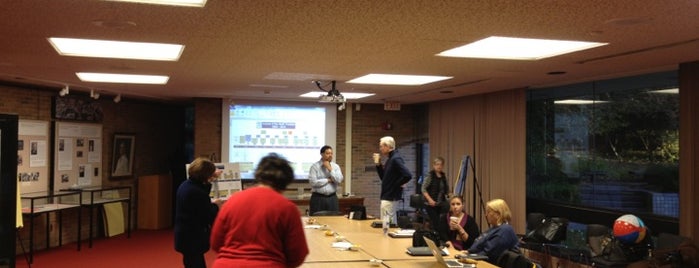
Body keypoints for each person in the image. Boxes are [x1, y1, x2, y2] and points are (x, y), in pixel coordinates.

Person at [210, 153, 309, 268]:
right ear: (286, 182)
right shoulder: (287, 207)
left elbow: (216, 242)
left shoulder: (233, 200)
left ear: (258, 175)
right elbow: (297, 254)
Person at [174, 157, 223, 268]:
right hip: (193, 237)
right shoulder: (196, 192)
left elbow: (200, 199)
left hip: (185, 235)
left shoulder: (186, 184)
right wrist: (216, 206)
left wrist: (210, 178)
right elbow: (207, 215)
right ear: (205, 175)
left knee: (192, 262)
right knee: (196, 264)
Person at [374, 136, 413, 224]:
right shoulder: (390, 160)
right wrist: (378, 164)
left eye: (381, 146)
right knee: (387, 223)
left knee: (388, 224)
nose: (380, 149)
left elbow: (408, 175)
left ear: (388, 146)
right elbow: (384, 178)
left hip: (390, 197)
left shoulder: (395, 159)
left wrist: (396, 185)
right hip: (387, 196)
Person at [308, 145, 344, 215]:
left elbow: (339, 180)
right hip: (318, 198)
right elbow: (313, 182)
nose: (330, 155)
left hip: (332, 198)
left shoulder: (335, 167)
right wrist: (328, 180)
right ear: (322, 154)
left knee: (334, 220)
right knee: (317, 220)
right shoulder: (315, 167)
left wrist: (330, 169)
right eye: (327, 153)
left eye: (331, 153)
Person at [421, 156, 449, 229]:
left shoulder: (443, 175)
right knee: (436, 223)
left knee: (442, 223)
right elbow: (423, 188)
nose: (439, 166)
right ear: (433, 165)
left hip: (440, 203)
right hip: (430, 204)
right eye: (437, 164)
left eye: (441, 164)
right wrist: (430, 200)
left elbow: (445, 190)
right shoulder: (430, 175)